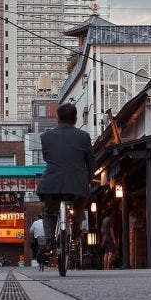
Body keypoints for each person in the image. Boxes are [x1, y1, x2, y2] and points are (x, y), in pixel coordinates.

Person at [37, 103, 93, 245]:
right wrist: (89, 179)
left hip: (51, 183)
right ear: (75, 119)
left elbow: (46, 157)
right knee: (80, 203)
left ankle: (49, 240)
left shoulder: (46, 136)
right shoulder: (84, 137)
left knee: (49, 211)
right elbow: (91, 162)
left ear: (58, 118)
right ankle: (76, 226)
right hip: (77, 183)